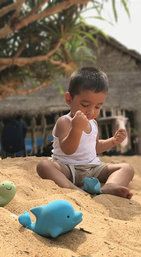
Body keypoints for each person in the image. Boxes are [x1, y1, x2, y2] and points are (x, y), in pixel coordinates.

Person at [36, 67, 134, 199]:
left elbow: (94, 147)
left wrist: (112, 141)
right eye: (85, 104)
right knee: (44, 165)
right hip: (67, 168)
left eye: (97, 106)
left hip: (92, 168)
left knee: (126, 168)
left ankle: (109, 186)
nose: (91, 111)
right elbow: (68, 150)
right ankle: (73, 189)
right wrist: (76, 129)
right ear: (69, 99)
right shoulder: (64, 122)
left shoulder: (93, 123)